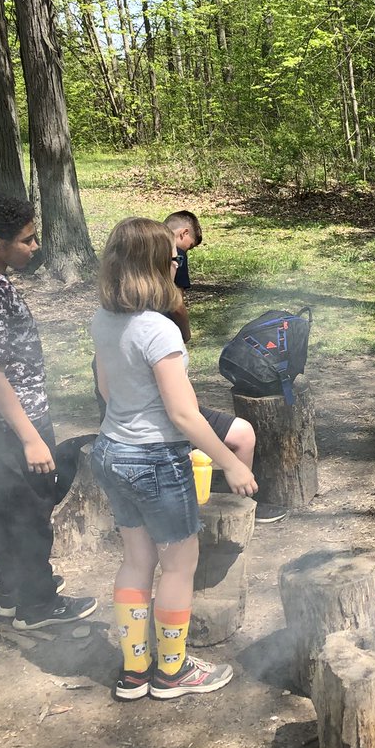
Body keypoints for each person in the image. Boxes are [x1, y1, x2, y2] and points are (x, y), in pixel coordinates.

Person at [90, 217, 258, 700]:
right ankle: (172, 671)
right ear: (154, 264)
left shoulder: (103, 319)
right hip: (156, 460)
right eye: (170, 256)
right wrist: (231, 462)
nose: (175, 262)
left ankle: (134, 671)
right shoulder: (158, 331)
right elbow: (184, 416)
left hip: (112, 452)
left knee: (136, 559)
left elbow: (105, 389)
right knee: (180, 564)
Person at [0, 190, 98, 630]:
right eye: (28, 240)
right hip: (13, 426)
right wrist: (31, 437)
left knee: (12, 512)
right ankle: (38, 607)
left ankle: (16, 598)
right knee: (29, 516)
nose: (35, 247)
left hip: (9, 423)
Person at [164, 210, 202, 293]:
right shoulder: (178, 255)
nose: (186, 250)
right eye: (190, 246)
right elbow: (178, 302)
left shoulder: (139, 245)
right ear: (185, 233)